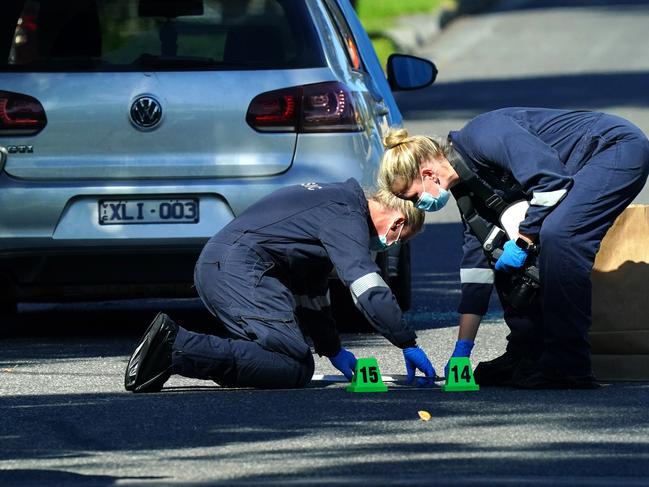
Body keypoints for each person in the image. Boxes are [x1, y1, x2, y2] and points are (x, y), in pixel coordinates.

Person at [378, 108, 649, 389]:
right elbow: (477, 267)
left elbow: (551, 184)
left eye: (412, 196)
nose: (417, 206)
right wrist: (462, 349)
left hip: (615, 148)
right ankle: (525, 353)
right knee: (498, 252)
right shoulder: (467, 189)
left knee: (561, 237)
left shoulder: (484, 136)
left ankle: (568, 364)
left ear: (428, 173)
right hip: (583, 165)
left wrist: (524, 239)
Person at [125, 178, 436, 393]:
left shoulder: (333, 201)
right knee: (292, 365)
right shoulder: (346, 215)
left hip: (222, 266)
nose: (389, 246)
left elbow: (311, 292)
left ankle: (182, 349)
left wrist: (333, 349)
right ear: (397, 222)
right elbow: (367, 287)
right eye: (400, 239)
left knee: (275, 355)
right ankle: (175, 348)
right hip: (239, 269)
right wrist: (406, 342)